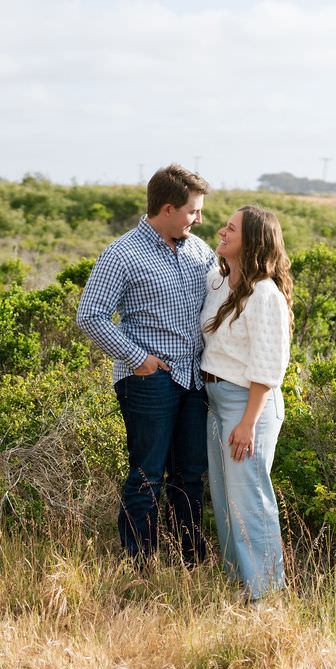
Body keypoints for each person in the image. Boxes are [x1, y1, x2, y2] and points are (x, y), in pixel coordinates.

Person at [76, 164, 216, 565]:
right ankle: (141, 563)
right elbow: (91, 314)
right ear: (168, 208)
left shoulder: (198, 249)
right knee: (148, 475)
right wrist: (140, 360)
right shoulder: (122, 253)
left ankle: (189, 559)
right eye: (193, 211)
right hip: (149, 380)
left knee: (189, 475)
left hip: (193, 379)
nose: (199, 218)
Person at [200, 205, 292, 600]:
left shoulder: (265, 295)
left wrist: (248, 422)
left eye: (231, 229)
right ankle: (240, 583)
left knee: (250, 498)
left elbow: (269, 366)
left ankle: (266, 594)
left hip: (248, 408)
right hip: (218, 402)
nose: (221, 231)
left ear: (252, 241)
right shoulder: (220, 282)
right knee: (225, 499)